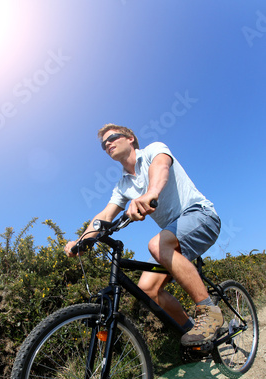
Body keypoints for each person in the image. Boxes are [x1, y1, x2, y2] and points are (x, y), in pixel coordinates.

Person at [64, 124, 223, 346]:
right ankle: (197, 339)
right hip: (174, 234)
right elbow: (105, 216)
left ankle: (209, 311)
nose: (107, 144)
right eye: (103, 144)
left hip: (200, 216)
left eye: (112, 138)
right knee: (148, 288)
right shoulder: (122, 186)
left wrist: (151, 193)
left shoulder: (153, 151)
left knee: (156, 245)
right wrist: (82, 241)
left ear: (130, 138)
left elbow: (161, 167)